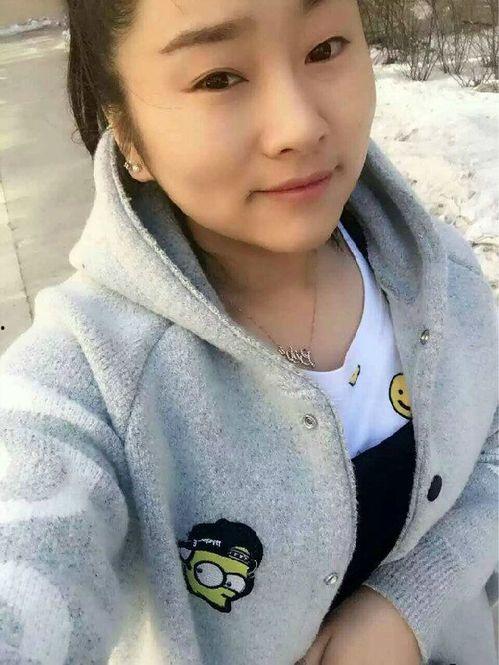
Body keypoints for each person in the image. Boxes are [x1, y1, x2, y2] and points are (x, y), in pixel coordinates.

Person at [0, 0, 497, 663]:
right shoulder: (89, 382)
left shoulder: (437, 275)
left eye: (324, 49)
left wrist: (410, 602)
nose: (298, 126)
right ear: (128, 134)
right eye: (218, 78)